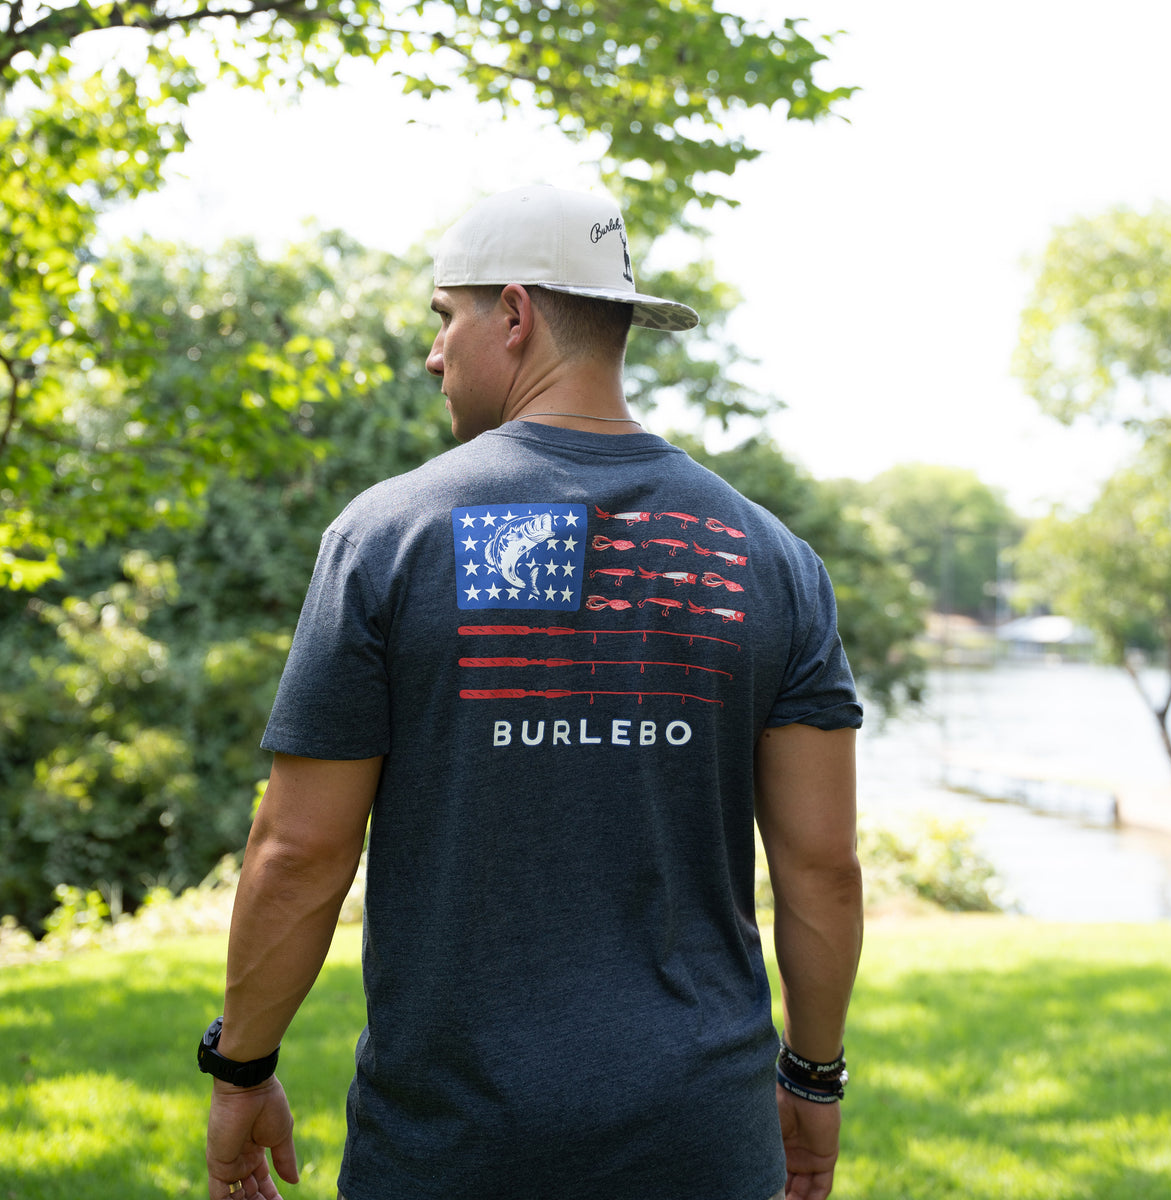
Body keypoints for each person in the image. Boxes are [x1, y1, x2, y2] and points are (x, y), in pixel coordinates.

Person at [201, 184, 863, 1200]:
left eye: (444, 317)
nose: (432, 354)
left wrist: (241, 1066)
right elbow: (821, 869)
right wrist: (813, 1084)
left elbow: (299, 851)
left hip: (452, 1145)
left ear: (512, 316)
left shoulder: (388, 537)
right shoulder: (772, 560)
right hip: (701, 1140)